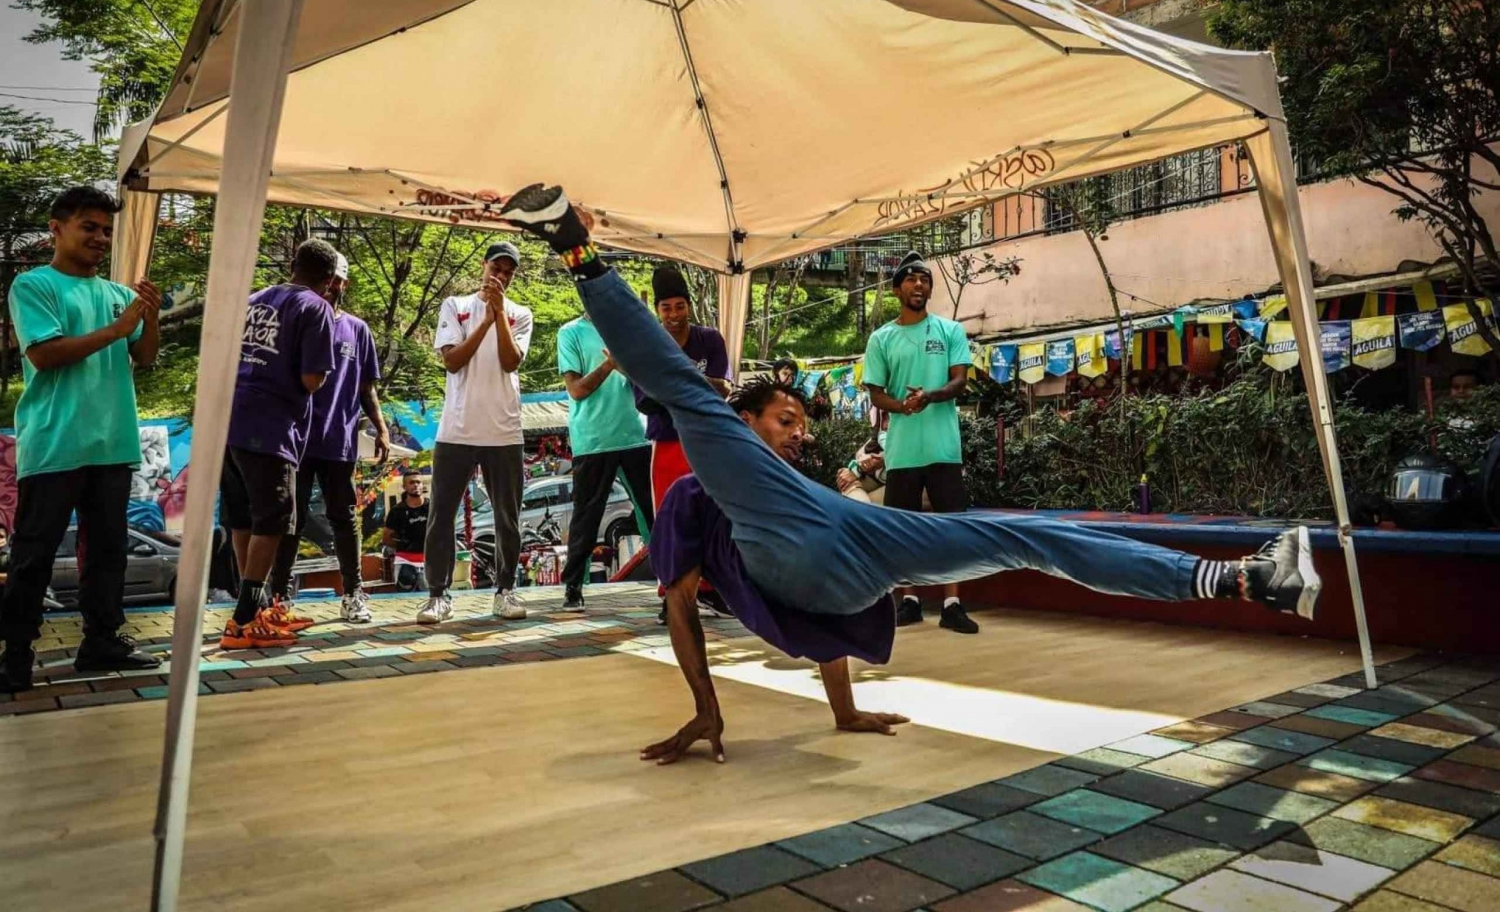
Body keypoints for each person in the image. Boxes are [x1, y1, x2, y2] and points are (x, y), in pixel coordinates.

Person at [498, 183, 1324, 763]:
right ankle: (573, 243)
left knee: (1027, 534)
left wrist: (845, 711)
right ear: (749, 419)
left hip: (847, 554)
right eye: (785, 419)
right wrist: (707, 708)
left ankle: (1240, 579)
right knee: (685, 393)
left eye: (800, 424)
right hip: (807, 554)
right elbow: (677, 603)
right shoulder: (710, 474)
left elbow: (820, 595)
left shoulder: (795, 489)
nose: (794, 433)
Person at [1, 186, 162, 691]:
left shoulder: (119, 294)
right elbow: (45, 354)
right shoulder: (34, 286)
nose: (99, 238)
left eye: (106, 231)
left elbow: (146, 357)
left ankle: (103, 641)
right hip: (54, 444)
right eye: (88, 227)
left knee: (109, 551)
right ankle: (16, 655)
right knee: (34, 554)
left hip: (113, 443)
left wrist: (148, 316)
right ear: (56, 227)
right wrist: (119, 329)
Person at [217, 239, 338, 650]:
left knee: (242, 518)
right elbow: (312, 379)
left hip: (228, 419)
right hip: (269, 427)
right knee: (272, 519)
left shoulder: (253, 299)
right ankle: (245, 619)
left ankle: (259, 606)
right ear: (329, 281)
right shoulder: (317, 307)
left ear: (292, 265)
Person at [268, 251, 390, 624]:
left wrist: (380, 427)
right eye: (328, 277)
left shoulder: (357, 329)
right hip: (295, 438)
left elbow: (367, 388)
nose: (332, 285)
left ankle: (354, 593)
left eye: (338, 278)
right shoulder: (296, 317)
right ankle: (279, 598)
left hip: (338, 440)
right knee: (292, 518)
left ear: (343, 283)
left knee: (344, 517)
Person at [417, 242, 533, 624]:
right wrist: (484, 318)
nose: (501, 277)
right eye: (496, 268)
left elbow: (510, 360)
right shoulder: (455, 305)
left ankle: (505, 590)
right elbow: (452, 361)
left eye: (508, 272)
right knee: (441, 514)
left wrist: (499, 315)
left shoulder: (521, 313)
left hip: (503, 430)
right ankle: (437, 594)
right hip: (457, 428)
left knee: (507, 517)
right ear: (483, 267)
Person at [864, 251, 978, 635]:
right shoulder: (881, 338)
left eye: (924, 279)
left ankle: (952, 603)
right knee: (901, 530)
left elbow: (959, 381)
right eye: (911, 279)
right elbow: (875, 392)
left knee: (952, 528)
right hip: (902, 452)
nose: (919, 285)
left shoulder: (950, 331)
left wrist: (929, 396)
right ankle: (909, 601)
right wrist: (902, 405)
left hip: (944, 448)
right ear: (897, 289)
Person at [635, 265, 734, 622]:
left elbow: (723, 390)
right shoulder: (646, 344)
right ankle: (672, 593)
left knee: (713, 515)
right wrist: (697, 384)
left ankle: (712, 589)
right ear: (658, 310)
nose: (673, 315)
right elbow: (644, 399)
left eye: (679, 306)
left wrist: (674, 386)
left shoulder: (710, 340)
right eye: (666, 308)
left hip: (708, 440)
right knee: (670, 519)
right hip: (667, 441)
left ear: (689, 306)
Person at [557, 312, 653, 612]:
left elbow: (648, 378)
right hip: (593, 439)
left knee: (655, 514)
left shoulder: (629, 324)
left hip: (636, 435)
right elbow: (576, 389)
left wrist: (627, 361)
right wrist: (610, 364)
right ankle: (573, 587)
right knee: (586, 516)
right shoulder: (570, 332)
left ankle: (672, 582)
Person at [384, 470, 430, 591]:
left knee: (431, 597)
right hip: (405, 561)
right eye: (411, 482)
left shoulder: (432, 507)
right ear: (404, 486)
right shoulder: (397, 511)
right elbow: (386, 538)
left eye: (418, 482)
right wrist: (405, 545)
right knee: (404, 599)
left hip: (429, 560)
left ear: (422, 485)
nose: (415, 485)